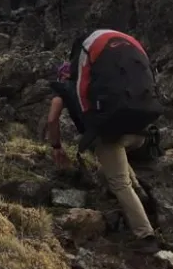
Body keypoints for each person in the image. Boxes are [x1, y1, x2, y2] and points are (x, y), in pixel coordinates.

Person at [45, 29, 164, 253]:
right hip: (140, 130)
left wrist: (56, 146)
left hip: (112, 134)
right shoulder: (105, 80)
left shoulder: (64, 90)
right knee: (114, 164)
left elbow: (52, 120)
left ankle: (146, 236)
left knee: (119, 183)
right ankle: (141, 194)